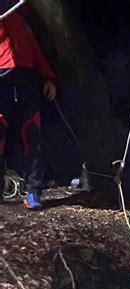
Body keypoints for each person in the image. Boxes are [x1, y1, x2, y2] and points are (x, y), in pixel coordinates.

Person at [0, 3, 56, 209]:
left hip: (27, 81)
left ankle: (33, 192)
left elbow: (34, 48)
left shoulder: (21, 15)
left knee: (31, 135)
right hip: (1, 79)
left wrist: (48, 78)